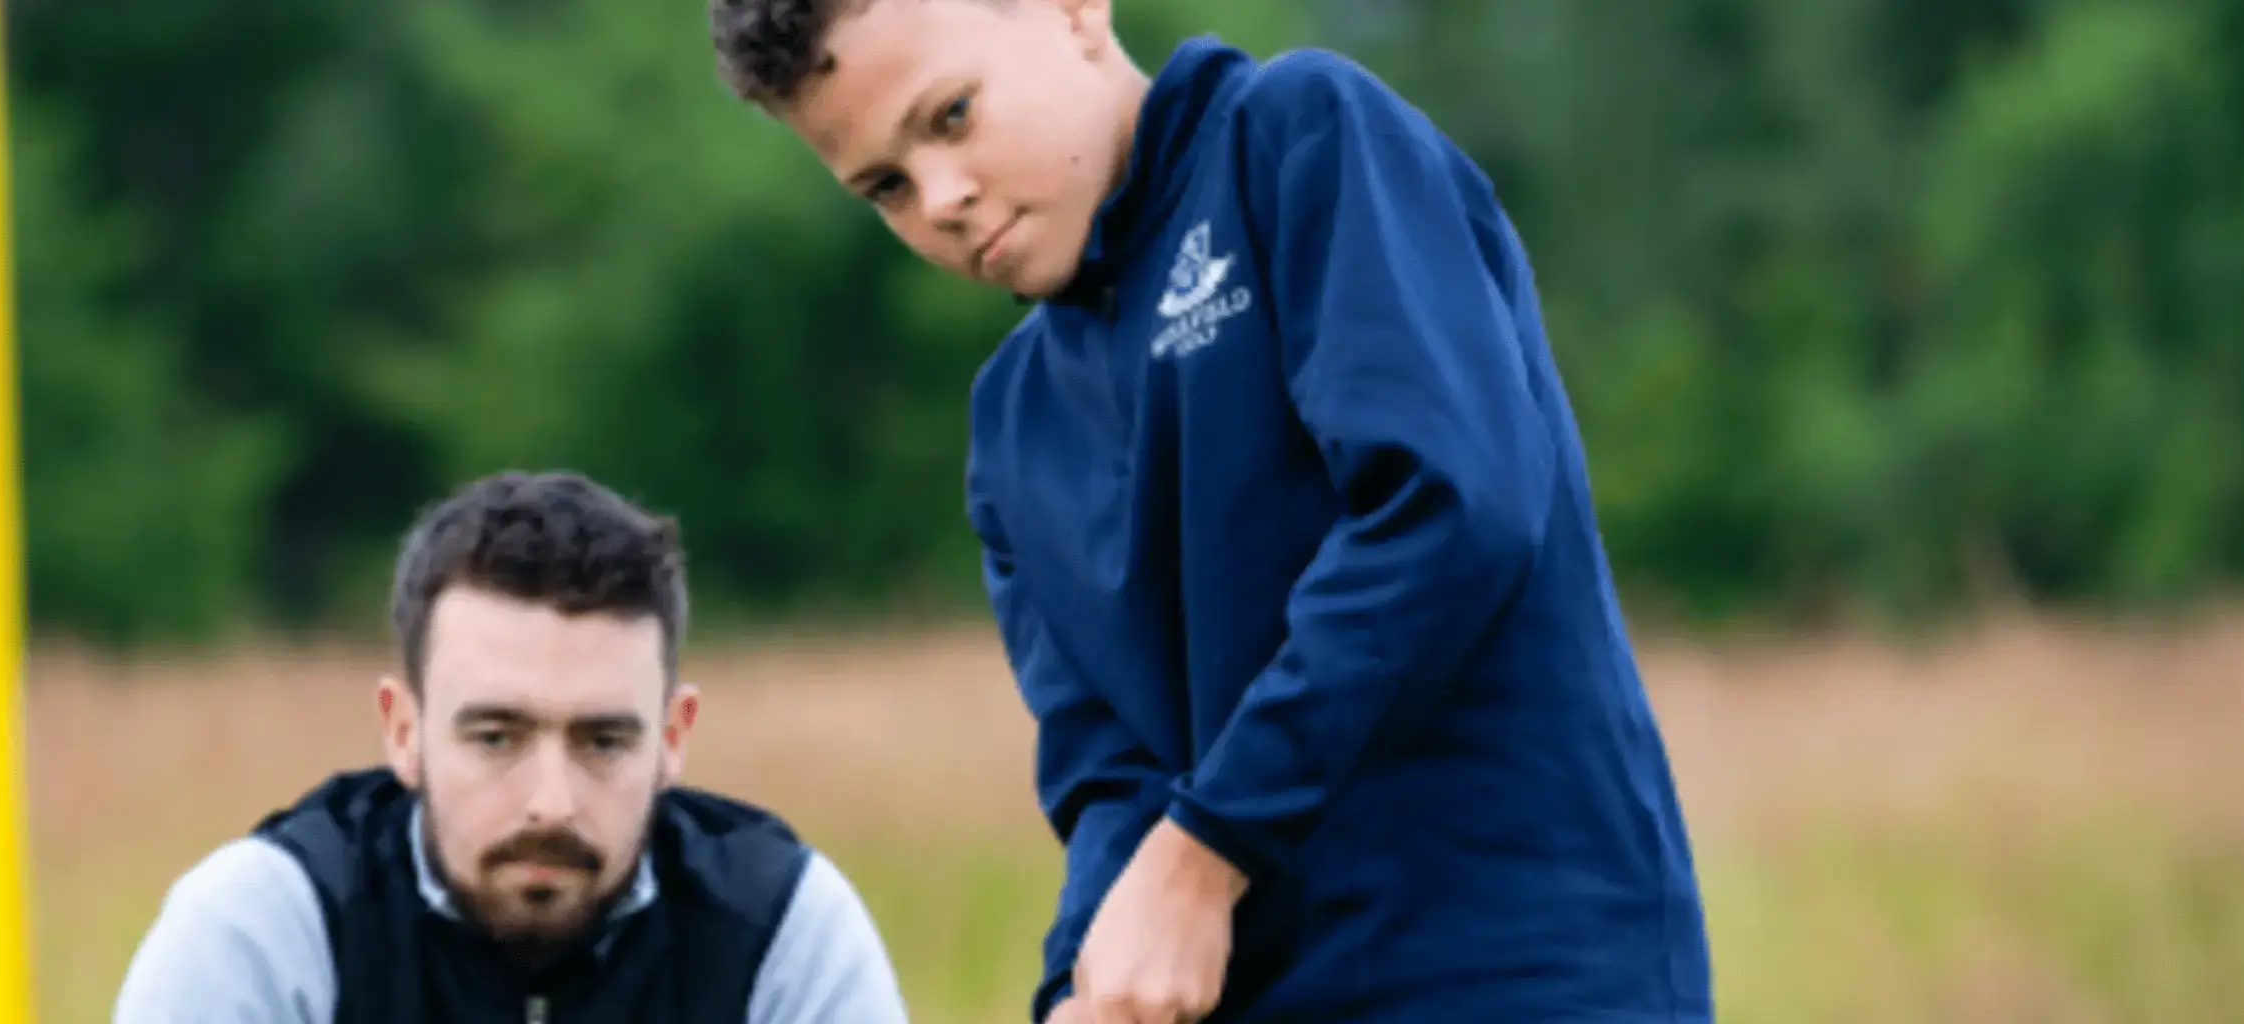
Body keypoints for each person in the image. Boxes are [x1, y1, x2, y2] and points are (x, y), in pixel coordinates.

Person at [705, 2, 1715, 1022]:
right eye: (884, 186)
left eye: (952, 117)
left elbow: (1449, 510)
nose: (941, 200)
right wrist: (1080, 985)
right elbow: (1109, 780)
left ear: (1073, 11)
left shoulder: (1299, 136)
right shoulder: (1013, 427)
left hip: (1519, 975)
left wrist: (1209, 848)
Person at [113, 470, 911, 1023]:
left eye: (603, 741)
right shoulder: (265, 929)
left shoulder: (779, 929)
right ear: (404, 729)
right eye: (496, 737)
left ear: (672, 739)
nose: (551, 803)